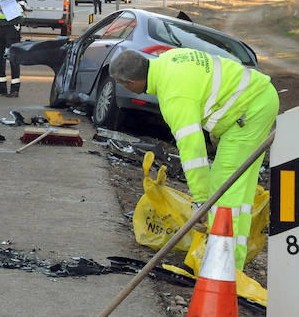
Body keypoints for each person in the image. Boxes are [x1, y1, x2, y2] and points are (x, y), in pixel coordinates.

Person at [109, 48, 278, 270]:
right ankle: (234, 259)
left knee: (222, 190)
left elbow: (193, 150)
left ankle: (222, 267)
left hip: (250, 111)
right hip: (259, 101)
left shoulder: (173, 94)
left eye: (122, 85)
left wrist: (201, 202)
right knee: (240, 192)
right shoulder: (168, 61)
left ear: (130, 83)